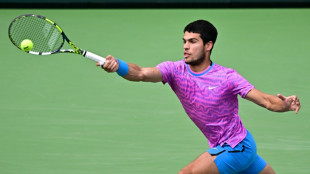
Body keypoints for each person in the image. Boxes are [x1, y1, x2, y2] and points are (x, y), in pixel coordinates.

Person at [96, 20, 301, 174]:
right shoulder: (174, 70)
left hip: (237, 146)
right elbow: (140, 73)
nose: (186, 46)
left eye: (193, 41)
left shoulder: (227, 77)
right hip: (229, 147)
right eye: (184, 41)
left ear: (208, 45)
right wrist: (118, 66)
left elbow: (266, 100)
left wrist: (285, 105)